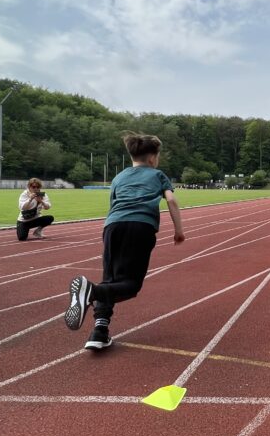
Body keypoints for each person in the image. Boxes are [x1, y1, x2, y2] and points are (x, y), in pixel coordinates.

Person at [65, 132, 184, 350]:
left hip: (113, 226)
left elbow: (113, 205)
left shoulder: (119, 177)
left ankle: (100, 331)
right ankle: (91, 291)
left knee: (110, 278)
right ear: (152, 158)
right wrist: (179, 230)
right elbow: (172, 201)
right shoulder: (158, 175)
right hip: (141, 226)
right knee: (130, 285)